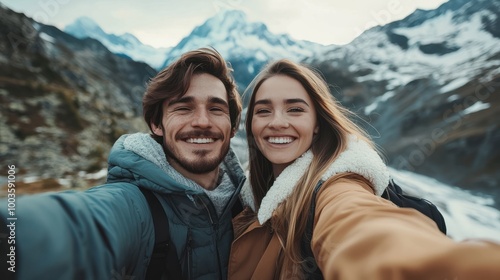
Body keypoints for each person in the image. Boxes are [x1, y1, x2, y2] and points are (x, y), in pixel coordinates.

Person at [228, 59, 500, 280]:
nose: (277, 122)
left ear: (318, 123)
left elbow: (360, 226)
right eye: (263, 111)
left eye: (295, 109)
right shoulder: (249, 197)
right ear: (251, 125)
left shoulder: (337, 185)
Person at [0, 48, 245, 280]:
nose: (202, 121)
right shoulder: (133, 206)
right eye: (183, 107)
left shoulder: (250, 205)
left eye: (216, 108)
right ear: (156, 125)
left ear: (233, 127)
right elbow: (84, 226)